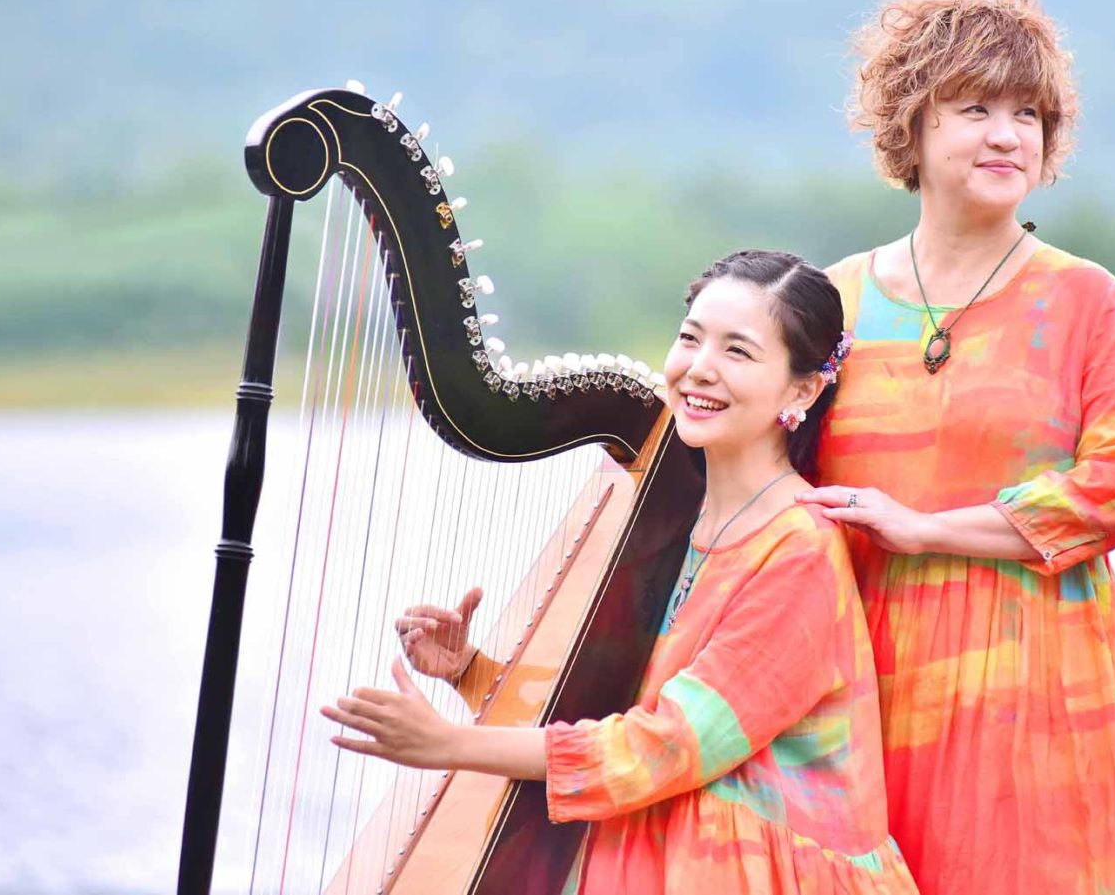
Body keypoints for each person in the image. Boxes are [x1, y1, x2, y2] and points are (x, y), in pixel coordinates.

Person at [322, 250, 918, 895]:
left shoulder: (800, 550)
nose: (700, 367)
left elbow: (666, 746)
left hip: (751, 871)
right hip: (658, 853)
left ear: (801, 390)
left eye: (738, 351)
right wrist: (471, 671)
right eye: (690, 338)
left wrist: (446, 744)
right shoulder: (671, 516)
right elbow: (612, 706)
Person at [796, 0, 1115, 893]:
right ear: (912, 125)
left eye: (1027, 114)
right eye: (976, 109)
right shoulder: (833, 301)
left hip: (1040, 682)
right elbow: (755, 481)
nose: (1007, 135)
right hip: (864, 687)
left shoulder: (1085, 298)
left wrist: (927, 528)